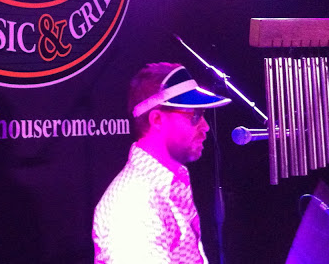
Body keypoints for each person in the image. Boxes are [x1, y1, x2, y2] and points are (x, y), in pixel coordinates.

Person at [92, 62, 231, 264]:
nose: (206, 126)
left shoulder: (169, 182)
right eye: (195, 115)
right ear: (157, 119)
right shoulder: (132, 206)